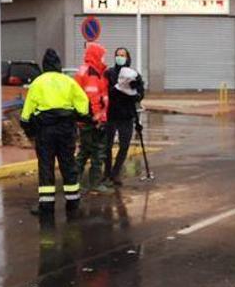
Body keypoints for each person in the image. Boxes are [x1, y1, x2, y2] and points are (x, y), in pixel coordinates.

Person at [20, 49, 90, 216]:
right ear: (59, 64)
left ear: (44, 65)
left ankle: (46, 206)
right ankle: (73, 202)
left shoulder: (38, 82)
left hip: (45, 130)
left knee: (46, 166)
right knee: (68, 164)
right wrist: (77, 116)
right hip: (66, 129)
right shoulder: (68, 81)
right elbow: (83, 104)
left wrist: (30, 130)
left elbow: (26, 113)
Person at [103, 48, 145, 186]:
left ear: (128, 57)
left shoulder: (134, 74)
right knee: (107, 146)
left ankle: (115, 173)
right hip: (111, 114)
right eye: (118, 55)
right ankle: (107, 173)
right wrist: (118, 88)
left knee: (124, 145)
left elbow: (140, 94)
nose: (120, 57)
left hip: (127, 115)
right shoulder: (109, 73)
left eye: (123, 55)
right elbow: (106, 92)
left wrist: (135, 90)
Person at [74, 42, 110, 193]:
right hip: (92, 119)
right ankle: (93, 183)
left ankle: (74, 183)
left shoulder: (89, 70)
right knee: (95, 151)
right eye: (102, 56)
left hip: (86, 118)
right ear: (96, 56)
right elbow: (92, 96)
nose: (103, 59)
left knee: (86, 151)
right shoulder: (92, 73)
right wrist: (97, 117)